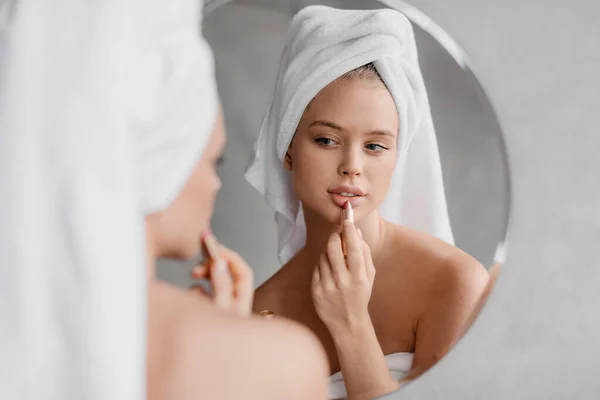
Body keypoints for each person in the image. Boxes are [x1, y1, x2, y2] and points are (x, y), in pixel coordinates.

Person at [245, 6, 490, 400]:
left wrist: (351, 324)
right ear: (288, 148)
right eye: (326, 140)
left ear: (397, 157)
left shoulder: (453, 284)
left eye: (375, 146)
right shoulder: (256, 311)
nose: (352, 167)